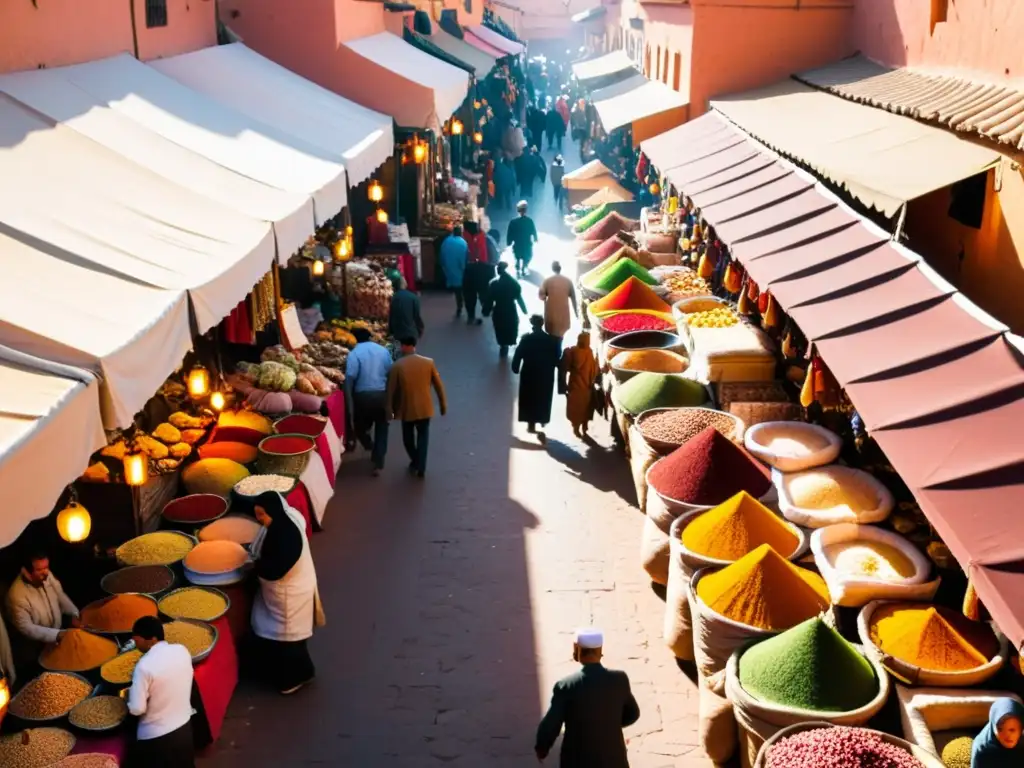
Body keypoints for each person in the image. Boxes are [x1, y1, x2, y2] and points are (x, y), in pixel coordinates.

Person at [535, 628, 640, 767]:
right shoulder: (620, 679)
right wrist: (608, 725)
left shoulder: (566, 686)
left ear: (576, 650)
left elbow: (551, 724)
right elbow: (633, 714)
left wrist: (542, 748)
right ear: (600, 651)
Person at [250, 491, 321, 695]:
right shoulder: (288, 518)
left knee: (288, 641)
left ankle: (291, 680)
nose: (259, 520)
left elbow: (275, 569)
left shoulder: (284, 536)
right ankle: (305, 671)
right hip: (296, 588)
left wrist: (254, 568)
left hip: (290, 594)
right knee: (292, 642)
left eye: (262, 515)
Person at [125, 616, 195, 768]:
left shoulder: (143, 666)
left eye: (137, 640)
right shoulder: (181, 650)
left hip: (157, 739)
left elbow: (137, 709)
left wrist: (128, 699)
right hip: (184, 729)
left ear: (151, 640)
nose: (135, 644)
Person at [5, 550, 80, 677]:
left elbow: (60, 596)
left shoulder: (46, 575)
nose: (46, 573)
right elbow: (27, 628)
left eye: (47, 567)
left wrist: (74, 613)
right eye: (40, 570)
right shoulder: (16, 596)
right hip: (35, 650)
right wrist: (57, 635)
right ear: (26, 572)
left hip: (56, 638)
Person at [386, 338, 447, 478]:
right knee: (423, 437)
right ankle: (421, 465)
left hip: (406, 409)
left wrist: (389, 409)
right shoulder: (428, 362)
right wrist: (443, 405)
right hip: (425, 408)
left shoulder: (397, 366)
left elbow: (391, 390)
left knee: (407, 439)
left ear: (403, 346)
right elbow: (439, 386)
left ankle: (416, 460)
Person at [344, 327, 393, 475]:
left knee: (359, 425)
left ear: (355, 339)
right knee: (382, 427)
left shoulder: (354, 353)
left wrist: (349, 403)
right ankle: (378, 462)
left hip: (362, 397)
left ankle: (368, 444)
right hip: (381, 394)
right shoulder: (383, 350)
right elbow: (391, 372)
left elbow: (350, 379)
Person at [511, 315, 561, 435]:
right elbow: (556, 357)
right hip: (545, 373)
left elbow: (518, 354)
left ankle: (531, 423)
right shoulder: (552, 340)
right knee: (543, 396)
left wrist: (515, 367)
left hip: (529, 372)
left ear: (532, 324)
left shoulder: (526, 339)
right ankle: (542, 418)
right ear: (542, 324)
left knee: (529, 397)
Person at [560, 332, 600, 438]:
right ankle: (579, 427)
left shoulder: (574, 351)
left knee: (582, 409)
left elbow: (564, 368)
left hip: (579, 386)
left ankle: (581, 427)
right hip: (582, 386)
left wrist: (563, 385)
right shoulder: (583, 352)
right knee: (582, 408)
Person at [489, 261, 527, 358]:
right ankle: (508, 343)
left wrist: (486, 310)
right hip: (510, 308)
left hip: (498, 309)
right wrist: (524, 309)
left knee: (500, 327)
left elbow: (489, 299)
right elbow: (519, 297)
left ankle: (503, 345)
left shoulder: (494, 284)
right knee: (511, 326)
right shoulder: (513, 283)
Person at [972, 698, 1024, 766]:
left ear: (1021, 729)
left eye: (1012, 730)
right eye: (1000, 729)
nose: (1007, 735)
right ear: (993, 727)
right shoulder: (982, 749)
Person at [539, 261, 577, 341]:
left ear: (552, 269)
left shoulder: (547, 280)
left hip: (551, 311)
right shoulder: (567, 281)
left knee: (551, 335)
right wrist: (576, 312)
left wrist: (546, 297)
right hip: (563, 311)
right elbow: (573, 298)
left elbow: (541, 295)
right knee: (560, 335)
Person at [462, 220, 489, 326]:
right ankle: (485, 309)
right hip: (481, 268)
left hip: (470, 269)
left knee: (469, 296)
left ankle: (471, 316)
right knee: (482, 291)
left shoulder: (465, 236)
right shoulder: (481, 235)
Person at [439, 225, 468, 318]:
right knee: (464, 290)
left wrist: (444, 266)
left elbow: (442, 256)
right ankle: (466, 308)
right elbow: (465, 258)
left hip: (450, 269)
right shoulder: (463, 243)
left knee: (457, 290)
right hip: (461, 270)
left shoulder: (446, 241)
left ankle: (459, 307)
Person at [507, 200, 538, 277]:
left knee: (517, 255)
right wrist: (535, 238)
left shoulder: (513, 222)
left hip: (517, 243)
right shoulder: (529, 221)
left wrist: (509, 242)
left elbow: (510, 233)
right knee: (527, 256)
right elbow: (533, 231)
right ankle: (523, 267)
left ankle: (518, 267)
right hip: (526, 243)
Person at [388, 276, 424, 343]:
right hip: (411, 332)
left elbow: (391, 315)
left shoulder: (394, 298)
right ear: (406, 285)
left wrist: (390, 331)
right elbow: (416, 316)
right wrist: (420, 329)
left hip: (398, 333)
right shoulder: (413, 297)